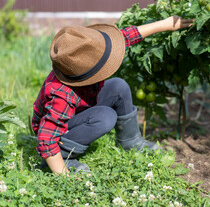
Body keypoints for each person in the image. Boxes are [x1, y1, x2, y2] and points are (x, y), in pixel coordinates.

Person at [32, 16, 194, 174]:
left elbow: (126, 37)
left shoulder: (82, 60)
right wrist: (63, 173)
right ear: (87, 74)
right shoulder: (62, 95)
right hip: (60, 132)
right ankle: (66, 155)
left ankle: (130, 141)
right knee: (105, 117)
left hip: (76, 109)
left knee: (119, 86)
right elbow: (46, 138)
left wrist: (166, 24)